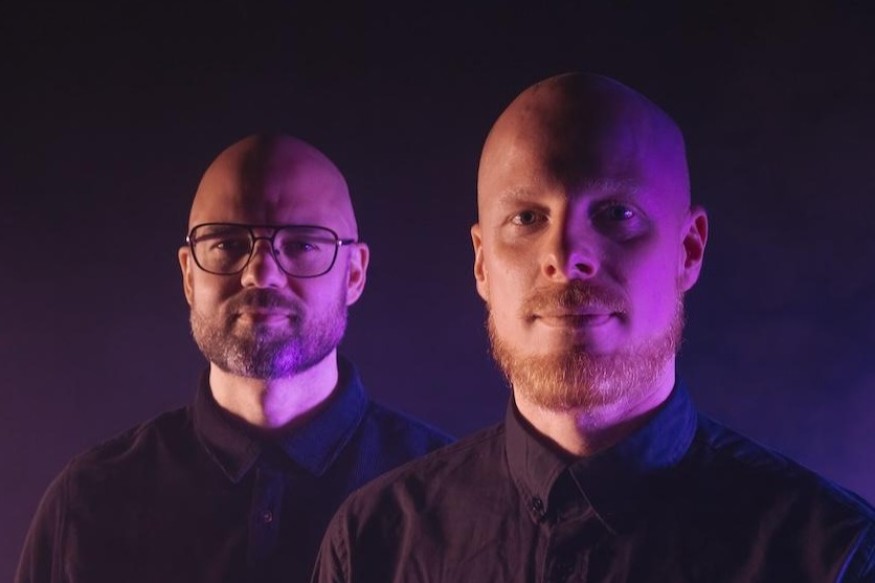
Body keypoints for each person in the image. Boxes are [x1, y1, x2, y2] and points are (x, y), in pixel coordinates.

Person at [312, 74, 875, 581]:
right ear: (482, 263)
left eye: (615, 214)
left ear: (688, 249)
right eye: (527, 218)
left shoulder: (836, 560)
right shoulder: (372, 545)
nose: (564, 256)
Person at [15, 134, 451, 583]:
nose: (260, 273)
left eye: (302, 245)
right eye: (227, 244)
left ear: (354, 274)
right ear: (189, 275)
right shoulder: (88, 503)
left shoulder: (450, 498)